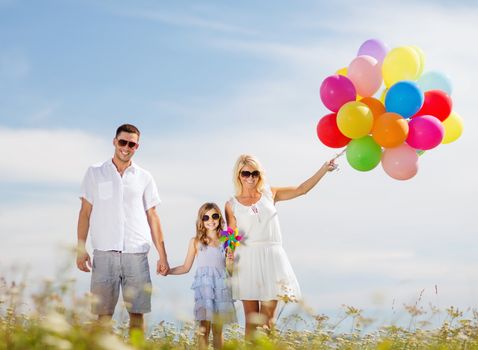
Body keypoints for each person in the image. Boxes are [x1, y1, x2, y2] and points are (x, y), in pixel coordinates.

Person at [224, 154, 336, 338]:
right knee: (252, 321)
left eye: (255, 173)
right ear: (239, 175)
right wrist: (228, 259)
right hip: (247, 259)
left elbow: (301, 189)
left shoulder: (270, 193)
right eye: (246, 173)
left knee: (268, 320)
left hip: (272, 258)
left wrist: (324, 169)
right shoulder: (231, 204)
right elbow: (232, 234)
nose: (251, 177)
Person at [76, 123, 169, 335]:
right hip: (104, 252)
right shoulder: (95, 172)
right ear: (114, 142)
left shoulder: (145, 177)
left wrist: (163, 255)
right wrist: (81, 247)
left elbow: (153, 216)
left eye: (132, 144)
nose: (126, 147)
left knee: (137, 314)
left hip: (136, 253)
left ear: (137, 146)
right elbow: (84, 212)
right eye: (122, 142)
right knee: (103, 315)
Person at [168, 202, 236, 350]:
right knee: (203, 329)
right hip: (205, 290)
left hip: (221, 288)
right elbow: (186, 267)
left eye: (214, 216)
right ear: (201, 221)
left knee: (218, 331)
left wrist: (230, 261)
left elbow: (229, 271)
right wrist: (168, 271)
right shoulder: (196, 242)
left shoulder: (226, 240)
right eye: (206, 217)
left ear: (219, 218)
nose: (211, 220)